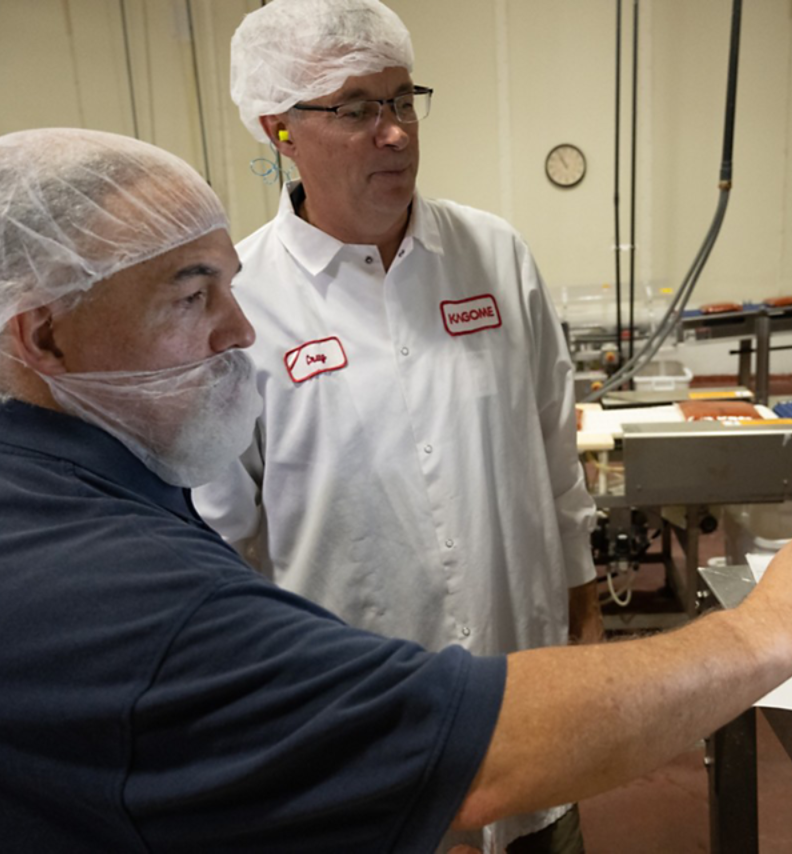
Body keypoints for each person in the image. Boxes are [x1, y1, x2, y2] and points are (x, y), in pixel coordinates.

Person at [0, 127, 792, 852]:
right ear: (41, 335)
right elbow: (491, 748)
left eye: (225, 285)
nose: (240, 329)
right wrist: (769, 626)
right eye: (187, 295)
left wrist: (576, 590)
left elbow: (548, 435)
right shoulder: (110, 598)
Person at [197, 4, 602, 847]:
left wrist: (584, 604)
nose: (394, 133)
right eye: (356, 108)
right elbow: (220, 540)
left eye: (402, 100)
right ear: (281, 132)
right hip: (355, 738)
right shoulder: (242, 306)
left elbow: (555, 452)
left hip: (520, 694)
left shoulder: (495, 256)